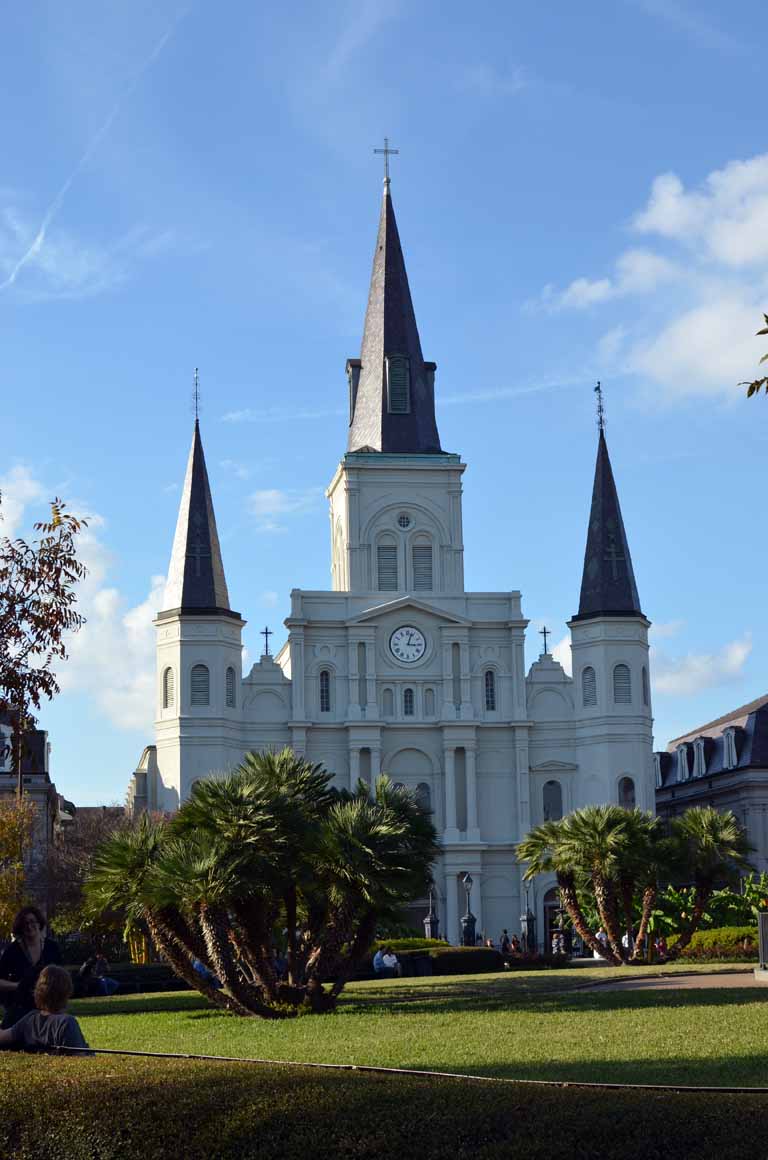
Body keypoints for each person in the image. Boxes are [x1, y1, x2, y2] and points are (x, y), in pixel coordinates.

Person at [0, 965, 90, 1053]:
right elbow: (79, 1058)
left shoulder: (30, 1019)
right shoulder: (67, 1023)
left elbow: (2, 1037)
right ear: (66, 992)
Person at [0, 906, 63, 1029]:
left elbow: (61, 977)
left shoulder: (52, 948)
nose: (29, 926)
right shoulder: (12, 951)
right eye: (25, 923)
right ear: (20, 927)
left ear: (39, 923)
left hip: (48, 1006)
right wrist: (18, 986)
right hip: (19, 1005)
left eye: (32, 922)